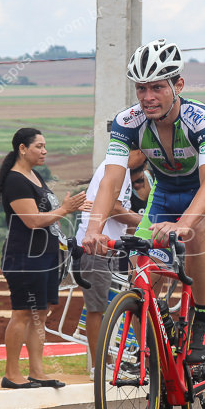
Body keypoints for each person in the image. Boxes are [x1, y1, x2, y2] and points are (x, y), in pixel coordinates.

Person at [82, 38, 205, 364]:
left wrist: (183, 225)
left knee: (195, 235)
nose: (147, 98)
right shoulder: (128, 122)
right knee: (141, 277)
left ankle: (203, 320)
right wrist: (93, 229)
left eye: (157, 88)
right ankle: (157, 356)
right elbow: (111, 179)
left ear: (178, 85)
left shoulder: (202, 119)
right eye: (140, 89)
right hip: (164, 194)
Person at [0, 128, 86, 389]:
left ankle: (37, 370)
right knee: (22, 313)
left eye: (45, 146)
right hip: (24, 257)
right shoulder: (16, 181)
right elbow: (32, 220)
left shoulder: (35, 176)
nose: (44, 151)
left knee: (40, 315)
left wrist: (70, 208)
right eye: (39, 146)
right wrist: (65, 210)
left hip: (46, 255)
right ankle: (12, 373)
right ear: (22, 149)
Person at [75, 151, 145, 367]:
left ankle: (106, 360)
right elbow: (114, 209)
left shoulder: (120, 171)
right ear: (138, 152)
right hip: (95, 247)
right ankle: (99, 365)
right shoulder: (117, 170)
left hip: (109, 247)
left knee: (105, 306)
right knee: (96, 309)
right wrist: (145, 221)